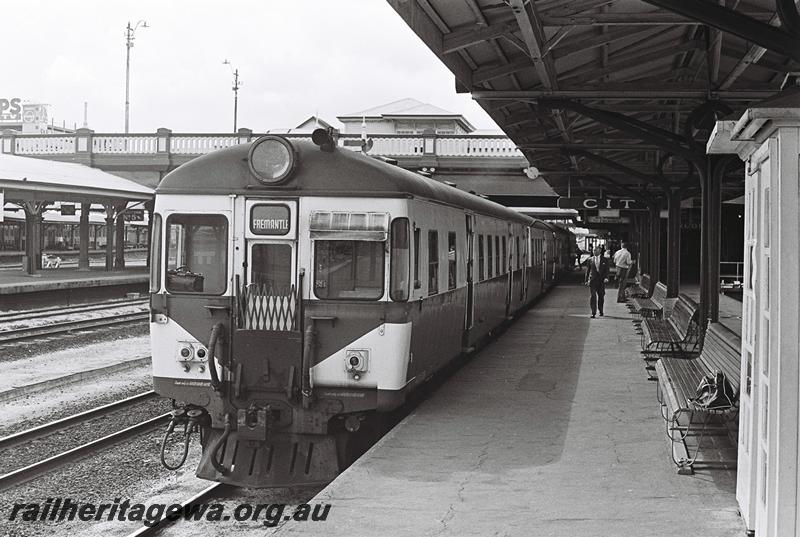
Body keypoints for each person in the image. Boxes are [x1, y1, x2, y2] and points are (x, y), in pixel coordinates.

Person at [584, 245, 609, 318]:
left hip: (601, 281)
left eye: (595, 250)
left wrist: (606, 278)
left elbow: (607, 270)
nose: (593, 251)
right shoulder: (590, 259)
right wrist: (586, 280)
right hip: (593, 281)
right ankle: (593, 312)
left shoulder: (605, 260)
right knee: (593, 296)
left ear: (600, 251)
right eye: (593, 250)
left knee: (601, 296)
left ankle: (601, 310)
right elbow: (587, 271)